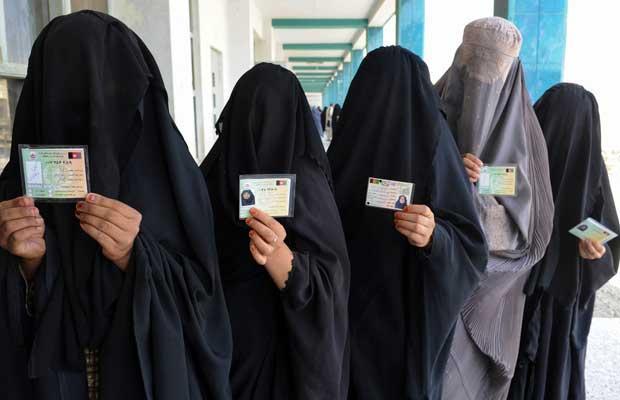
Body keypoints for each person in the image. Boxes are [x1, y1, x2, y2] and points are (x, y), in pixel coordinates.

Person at [0, 11, 232, 400]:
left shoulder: (173, 180)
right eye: (65, 93)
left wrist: (136, 257)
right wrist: (27, 265)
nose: (87, 113)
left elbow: (207, 305)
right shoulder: (13, 193)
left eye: (102, 92)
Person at [327, 46, 488, 400]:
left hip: (400, 319)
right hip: (351, 325)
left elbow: (470, 246)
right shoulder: (344, 153)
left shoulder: (432, 147)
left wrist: (434, 237)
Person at [201, 63, 350, 400]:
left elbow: (332, 280)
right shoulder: (210, 177)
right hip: (223, 351)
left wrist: (285, 262)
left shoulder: (304, 183)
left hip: (266, 355)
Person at [435, 17, 554, 399]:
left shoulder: (527, 138)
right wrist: (448, 169)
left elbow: (528, 230)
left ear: (512, 74)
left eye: (494, 74)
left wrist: (479, 190)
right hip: (432, 284)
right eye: (472, 68)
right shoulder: (430, 113)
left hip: (489, 299)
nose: (481, 86)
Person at [508, 84, 620, 400]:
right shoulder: (520, 163)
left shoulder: (591, 173)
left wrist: (594, 251)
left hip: (555, 300)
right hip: (523, 293)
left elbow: (608, 241)